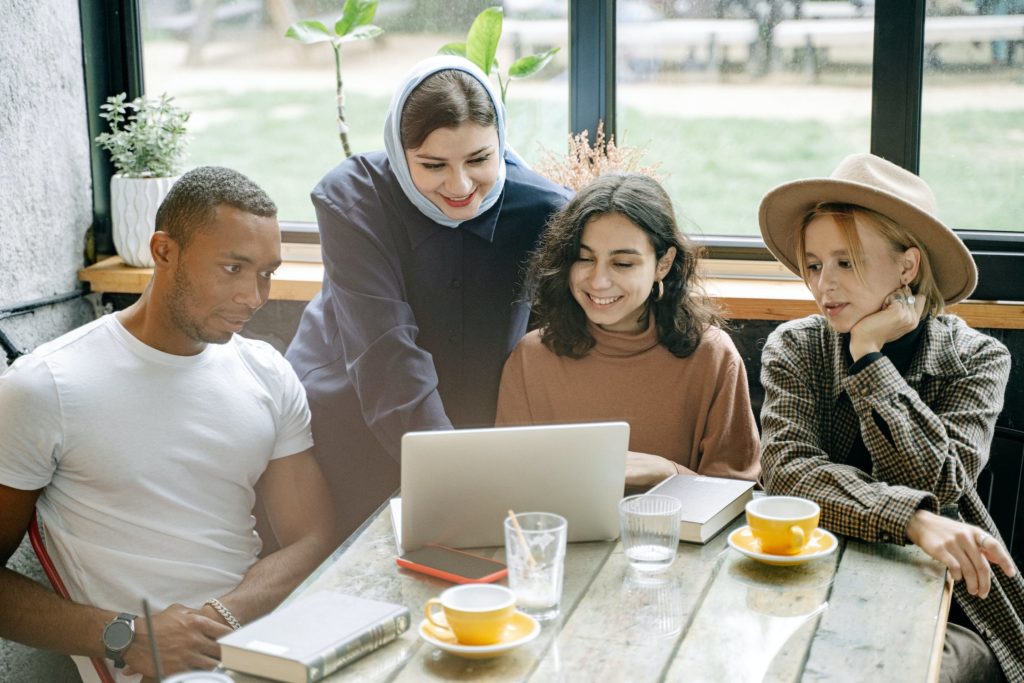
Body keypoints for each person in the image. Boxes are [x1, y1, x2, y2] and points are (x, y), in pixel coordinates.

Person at [0, 167, 338, 682]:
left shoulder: (266, 371)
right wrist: (127, 635)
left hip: (260, 638)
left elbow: (311, 537)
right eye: (232, 268)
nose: (254, 296)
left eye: (266, 272)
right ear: (163, 251)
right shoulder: (45, 385)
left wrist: (220, 618)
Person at [757, 152, 1023, 681]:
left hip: (948, 601)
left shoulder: (978, 358)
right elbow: (788, 473)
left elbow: (938, 481)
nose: (822, 285)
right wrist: (912, 519)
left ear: (907, 266)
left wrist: (870, 357)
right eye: (814, 264)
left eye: (846, 261)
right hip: (807, 579)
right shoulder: (795, 346)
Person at [285, 55, 572, 536]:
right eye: (433, 165)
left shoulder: (547, 210)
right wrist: (456, 480)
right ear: (399, 153)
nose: (460, 186)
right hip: (350, 409)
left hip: (481, 419)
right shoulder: (353, 202)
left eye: (480, 159)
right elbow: (386, 356)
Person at [496, 173, 761, 487]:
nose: (598, 281)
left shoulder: (712, 355)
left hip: (681, 536)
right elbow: (508, 483)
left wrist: (669, 472)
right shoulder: (532, 356)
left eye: (622, 263)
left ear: (663, 264)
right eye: (583, 258)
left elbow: (736, 495)